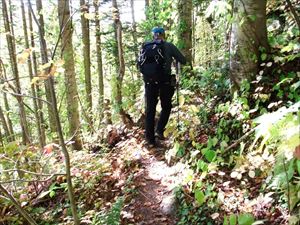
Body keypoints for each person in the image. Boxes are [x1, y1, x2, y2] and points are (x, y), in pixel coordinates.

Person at [140, 27, 186, 147]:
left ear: (153, 35)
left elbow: (140, 64)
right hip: (164, 82)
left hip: (149, 82)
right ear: (163, 35)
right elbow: (183, 60)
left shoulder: (146, 47)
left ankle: (150, 140)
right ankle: (159, 130)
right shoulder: (169, 46)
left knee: (150, 109)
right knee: (166, 106)